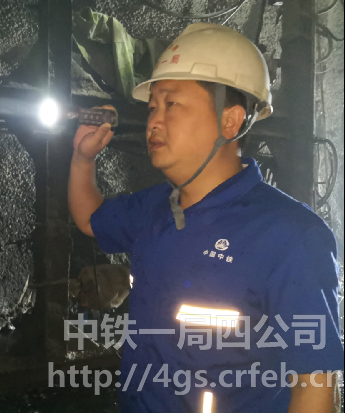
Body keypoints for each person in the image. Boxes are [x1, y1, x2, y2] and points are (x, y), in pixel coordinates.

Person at [68, 23, 344, 413]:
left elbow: (314, 387)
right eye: (152, 107)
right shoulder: (154, 209)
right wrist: (82, 159)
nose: (153, 121)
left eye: (171, 104)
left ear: (230, 121)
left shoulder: (289, 236)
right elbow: (90, 219)